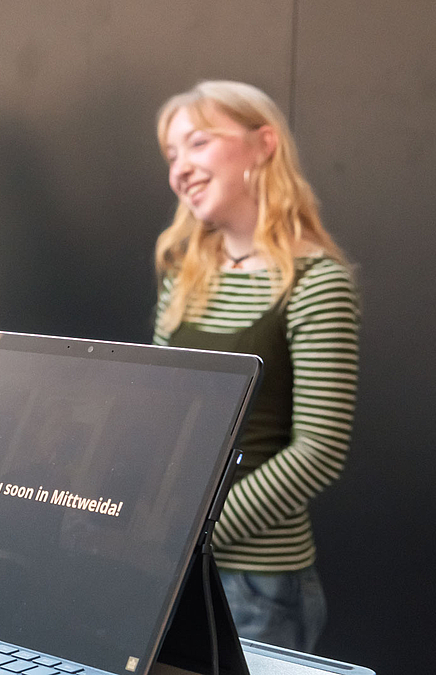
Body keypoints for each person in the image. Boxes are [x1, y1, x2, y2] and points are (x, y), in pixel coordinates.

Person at [152, 80, 359, 652]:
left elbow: (319, 453)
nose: (180, 168)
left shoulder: (317, 283)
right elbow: (161, 420)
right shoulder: (184, 278)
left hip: (257, 584)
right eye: (171, 155)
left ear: (263, 143)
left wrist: (193, 532)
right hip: (166, 568)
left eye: (196, 143)